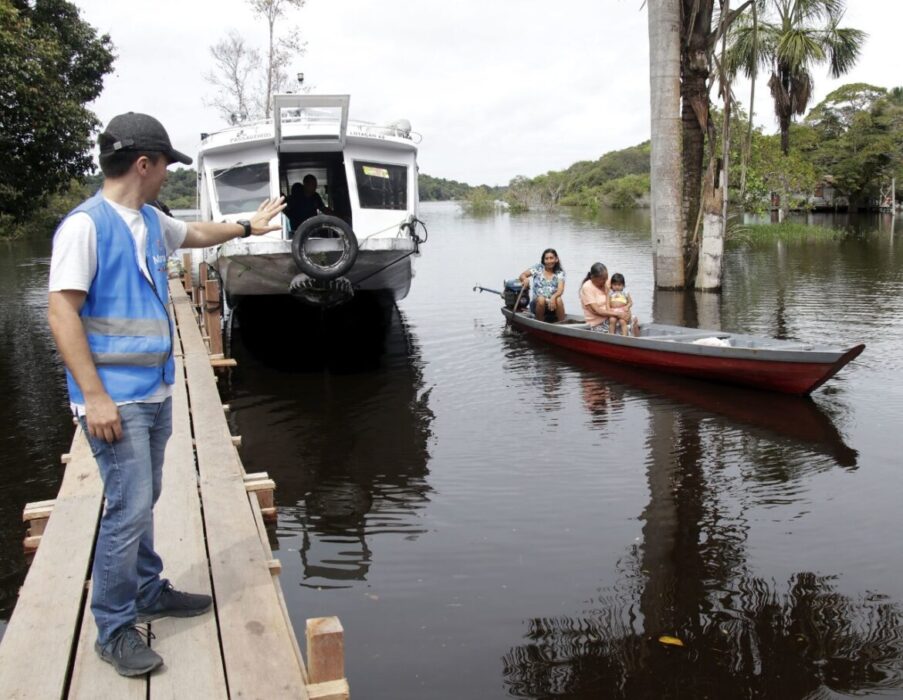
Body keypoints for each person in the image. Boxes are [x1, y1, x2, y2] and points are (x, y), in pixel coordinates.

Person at [47, 112, 285, 678]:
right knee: (126, 507)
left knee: (144, 496)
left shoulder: (150, 220)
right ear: (143, 164)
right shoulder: (86, 227)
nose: (167, 177)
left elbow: (196, 235)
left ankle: (148, 589)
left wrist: (247, 229)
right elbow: (61, 313)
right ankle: (112, 626)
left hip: (154, 390)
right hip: (114, 400)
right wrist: (95, 396)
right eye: (165, 166)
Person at [579, 263, 635, 333]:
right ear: (593, 277)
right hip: (598, 323)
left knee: (634, 319)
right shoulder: (587, 287)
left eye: (606, 278)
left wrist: (627, 312)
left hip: (613, 316)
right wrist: (618, 314)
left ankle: (638, 342)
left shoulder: (607, 282)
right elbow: (597, 310)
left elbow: (623, 297)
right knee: (625, 326)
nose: (605, 281)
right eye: (602, 280)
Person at [518, 248, 566, 323]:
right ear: (543, 260)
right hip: (537, 304)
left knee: (558, 299)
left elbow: (560, 290)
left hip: (552, 305)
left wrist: (553, 297)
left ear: (556, 259)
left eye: (551, 258)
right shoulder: (538, 268)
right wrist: (525, 279)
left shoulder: (559, 272)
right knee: (541, 299)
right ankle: (539, 324)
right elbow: (522, 275)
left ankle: (563, 325)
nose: (549, 261)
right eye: (546, 259)